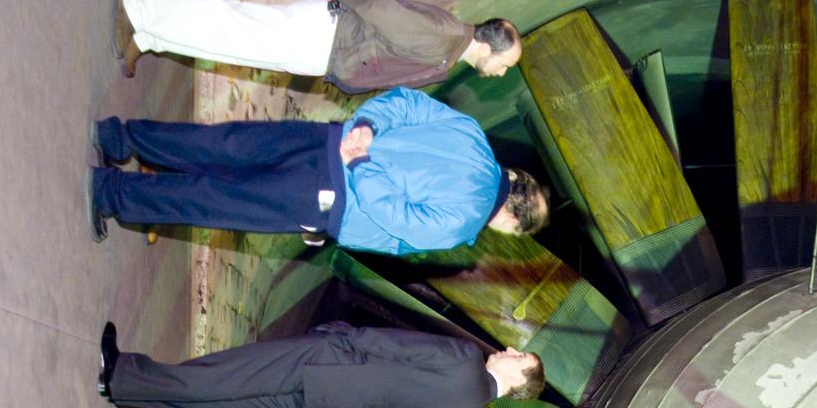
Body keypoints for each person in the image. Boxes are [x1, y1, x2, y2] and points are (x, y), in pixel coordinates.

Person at [85, 86, 549, 250]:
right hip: (330, 196)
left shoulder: (471, 133)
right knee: (214, 200)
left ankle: (118, 136)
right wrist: (362, 165)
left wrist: (365, 126)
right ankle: (111, 193)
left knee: (220, 144)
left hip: (327, 138)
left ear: (515, 176)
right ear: (511, 219)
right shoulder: (464, 221)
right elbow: (397, 217)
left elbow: (407, 102)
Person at [97, 320, 544, 408]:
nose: (508, 349)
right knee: (232, 403)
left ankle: (121, 377)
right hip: (330, 406)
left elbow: (391, 344)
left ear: (520, 378)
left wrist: (341, 336)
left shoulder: (465, 358)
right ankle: (148, 400)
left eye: (517, 355)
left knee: (227, 375)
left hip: (329, 362)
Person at [113, 0, 522, 90]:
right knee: (229, 25)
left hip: (326, 50)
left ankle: (149, 37)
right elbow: (385, 13)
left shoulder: (448, 54)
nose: (502, 73)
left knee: (230, 44)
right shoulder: (445, 37)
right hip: (324, 36)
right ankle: (139, 8)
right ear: (488, 47)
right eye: (505, 65)